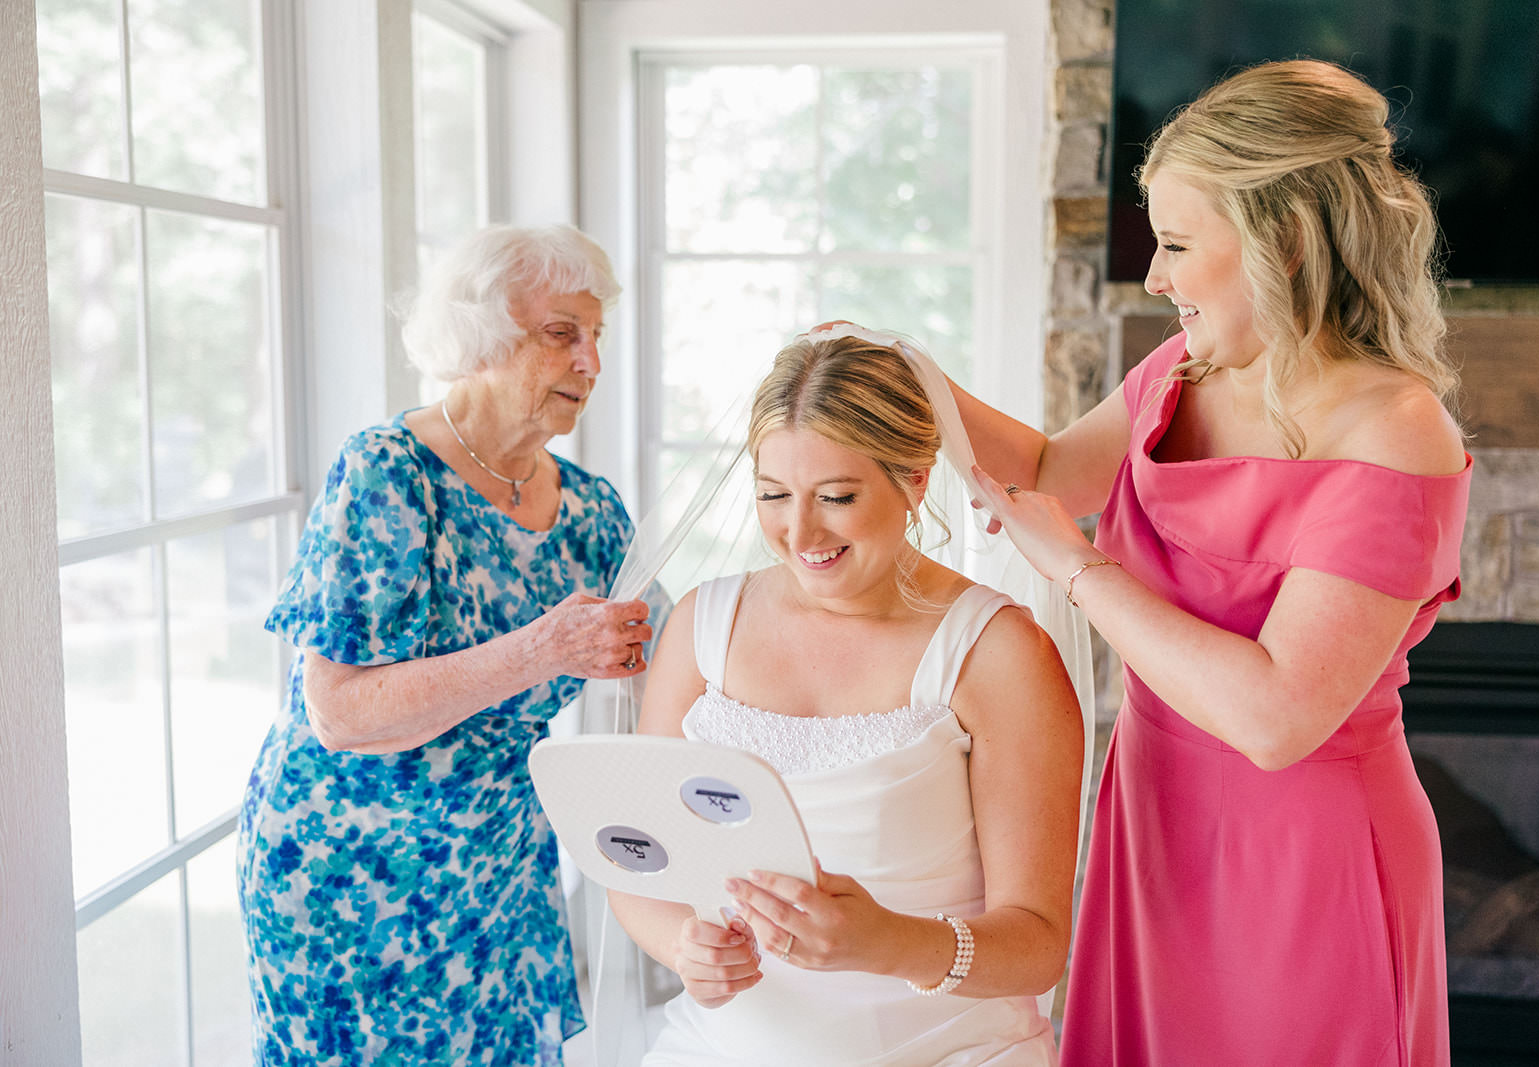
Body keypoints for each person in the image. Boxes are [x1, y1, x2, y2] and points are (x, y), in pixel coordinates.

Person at [957, 60, 1472, 1064]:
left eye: (1179, 244)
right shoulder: (1182, 367)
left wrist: (1077, 569)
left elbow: (1276, 716)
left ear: (1282, 240)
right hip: (1155, 810)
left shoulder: (1396, 430)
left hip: (1306, 854)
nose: (1154, 277)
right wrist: (910, 375)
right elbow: (1055, 473)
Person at [607, 329, 1087, 1066]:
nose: (798, 532)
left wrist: (889, 942)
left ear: (916, 478)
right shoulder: (702, 629)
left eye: (836, 496)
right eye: (772, 495)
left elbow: (1038, 945)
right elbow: (638, 862)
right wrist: (684, 944)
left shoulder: (998, 654)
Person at [238, 223, 654, 1065]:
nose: (592, 363)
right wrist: (542, 648)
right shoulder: (387, 474)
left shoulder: (593, 512)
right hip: (346, 878)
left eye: (597, 336)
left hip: (498, 877)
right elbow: (342, 712)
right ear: (483, 336)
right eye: (561, 333)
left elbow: (675, 655)